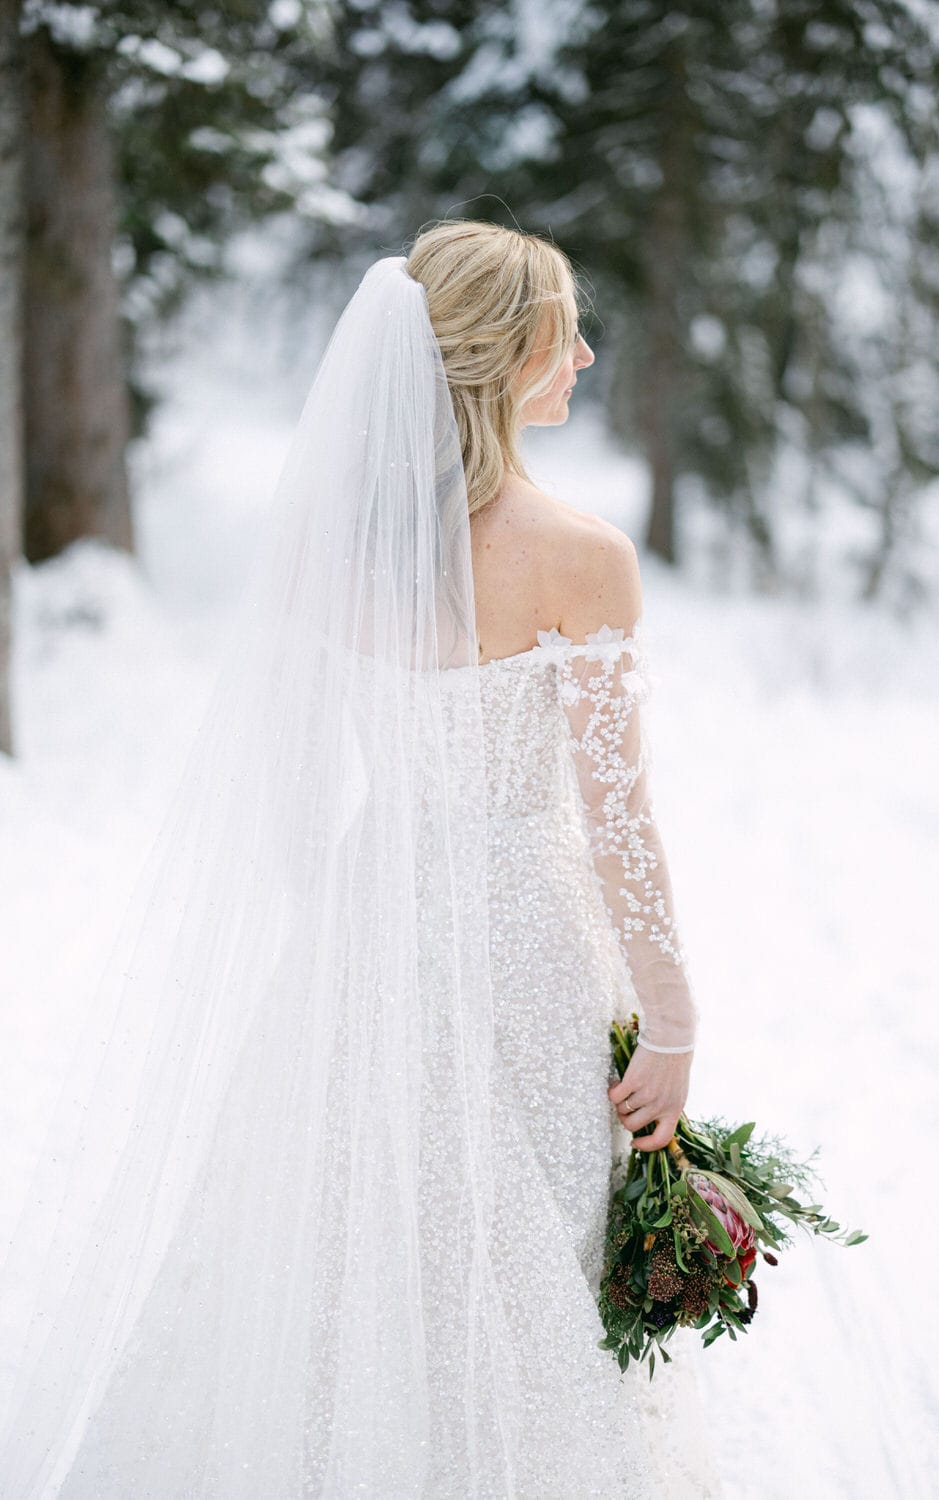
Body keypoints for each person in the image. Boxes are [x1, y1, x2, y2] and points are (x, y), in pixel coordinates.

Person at [0, 220, 721, 1496]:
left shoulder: (332, 553)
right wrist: (669, 1019)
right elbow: (619, 825)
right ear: (505, 361)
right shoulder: (581, 560)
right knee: (522, 1251)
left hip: (360, 933)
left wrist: (350, 916)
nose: (587, 355)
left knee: (350, 1251)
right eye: (566, 336)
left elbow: (286, 792)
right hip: (530, 948)